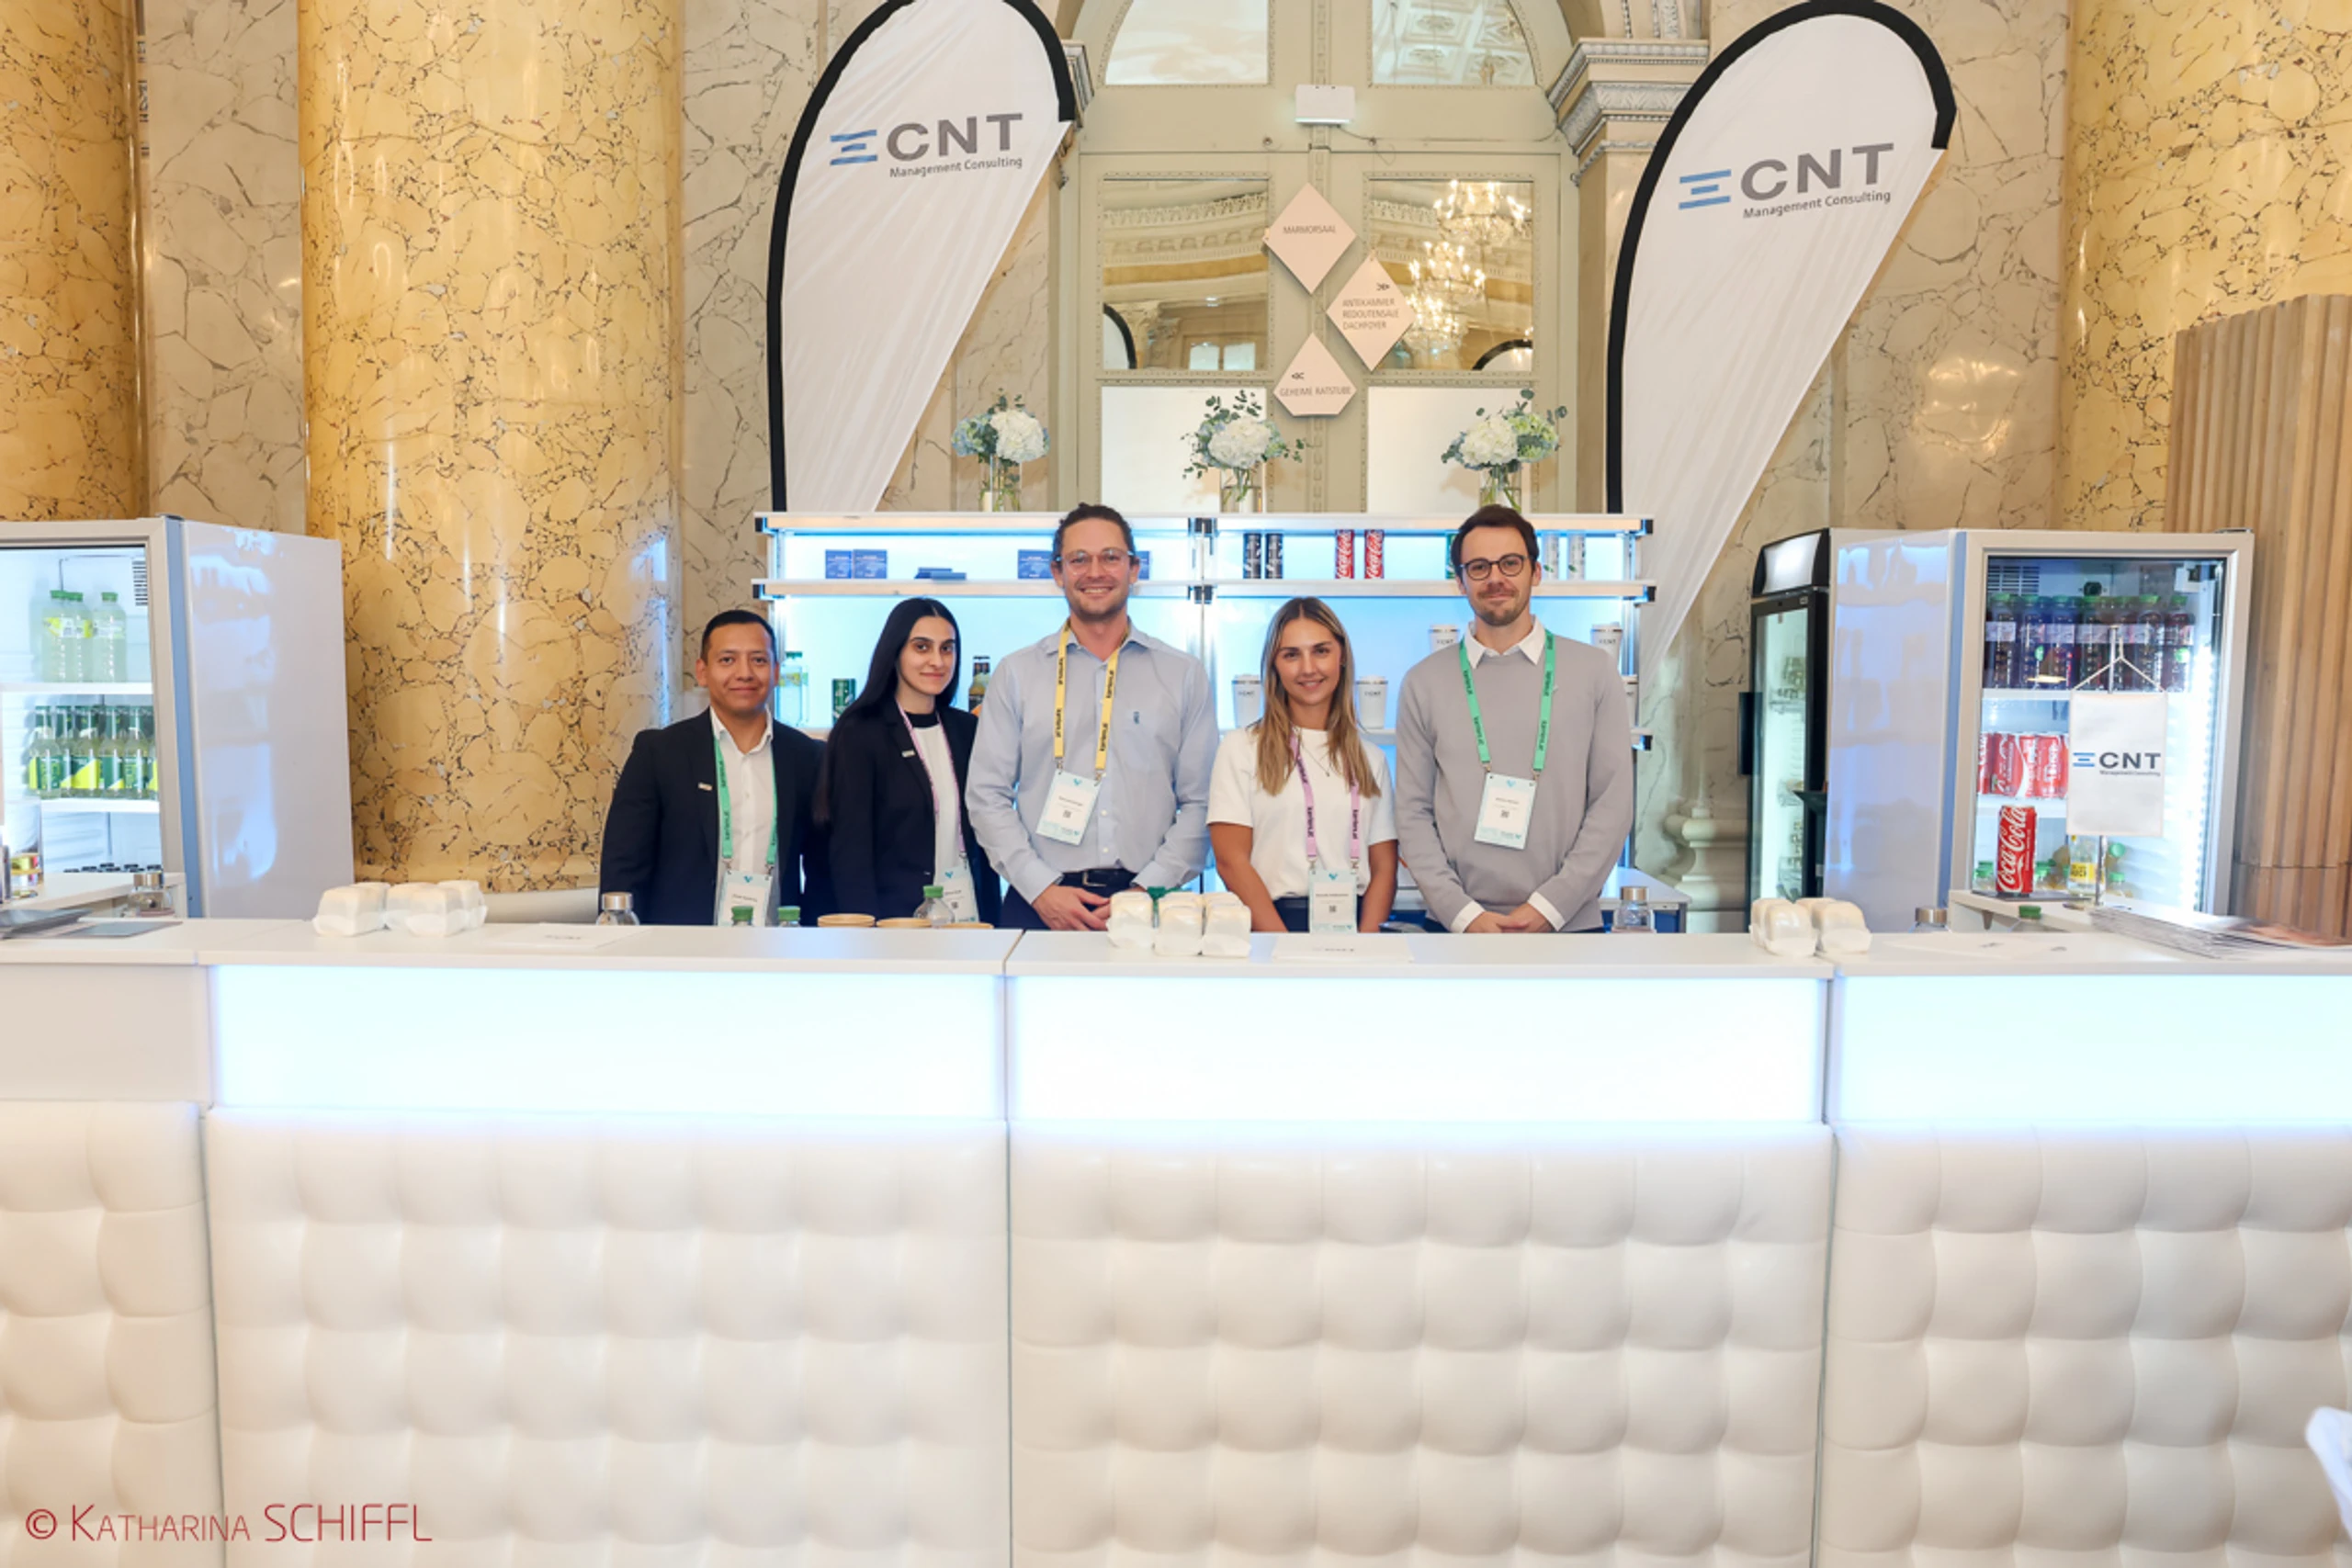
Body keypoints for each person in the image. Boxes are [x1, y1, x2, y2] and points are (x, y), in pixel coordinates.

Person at [967, 502, 1217, 930]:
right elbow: (986, 796)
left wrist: (1148, 891)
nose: (1095, 572)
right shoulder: (1017, 673)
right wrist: (1040, 889)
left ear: (1134, 569)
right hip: (1040, 905)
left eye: (1110, 557)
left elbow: (1203, 802)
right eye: (1079, 559)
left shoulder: (1183, 674)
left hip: (1154, 905)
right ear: (1058, 572)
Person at [1394, 504, 1634, 932]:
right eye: (1479, 567)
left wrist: (1549, 908)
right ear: (1460, 581)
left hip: (1569, 927)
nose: (1496, 578)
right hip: (1456, 929)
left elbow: (1612, 805)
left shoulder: (1594, 671)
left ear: (1535, 572)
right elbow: (1412, 812)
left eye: (1510, 563)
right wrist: (1464, 915)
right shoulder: (1423, 682)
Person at [599, 609, 826, 926]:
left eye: (759, 660)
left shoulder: (807, 757)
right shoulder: (660, 753)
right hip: (683, 944)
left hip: (777, 942)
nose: (744, 673)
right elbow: (624, 864)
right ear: (702, 672)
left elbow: (823, 869)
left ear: (776, 672)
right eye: (728, 660)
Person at [1208, 597, 1398, 932]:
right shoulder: (1241, 749)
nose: (1308, 668)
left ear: (1341, 657)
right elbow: (1230, 862)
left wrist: (1366, 945)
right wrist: (1283, 945)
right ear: (1274, 665)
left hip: (1354, 930)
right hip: (1272, 928)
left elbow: (1384, 868)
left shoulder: (1372, 758)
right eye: (1291, 655)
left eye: (1321, 651)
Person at [815, 598, 1000, 924]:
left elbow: (984, 837)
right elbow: (851, 851)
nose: (937, 661)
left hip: (966, 917)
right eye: (921, 647)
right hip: (893, 924)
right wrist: (866, 932)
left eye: (947, 649)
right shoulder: (861, 732)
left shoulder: (966, 729)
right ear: (895, 651)